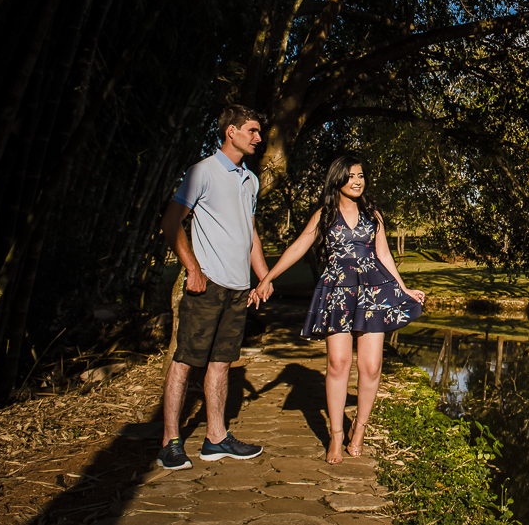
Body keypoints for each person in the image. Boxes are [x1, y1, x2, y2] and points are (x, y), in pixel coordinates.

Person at [249, 155, 425, 463]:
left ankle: (359, 429)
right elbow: (299, 246)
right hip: (337, 294)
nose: (357, 181)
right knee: (338, 363)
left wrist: (403, 288)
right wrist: (267, 278)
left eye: (360, 175)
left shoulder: (373, 215)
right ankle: (336, 436)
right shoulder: (324, 215)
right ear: (338, 180)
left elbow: (383, 255)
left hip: (372, 292)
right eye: (351, 176)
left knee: (371, 366)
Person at [157, 104, 271, 471]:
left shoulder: (250, 179)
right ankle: (170, 442)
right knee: (185, 362)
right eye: (252, 130)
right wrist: (191, 267)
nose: (258, 137)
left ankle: (216, 439)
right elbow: (171, 222)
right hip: (207, 287)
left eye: (259, 131)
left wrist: (263, 277)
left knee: (221, 364)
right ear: (231, 132)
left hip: (239, 290)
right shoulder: (202, 172)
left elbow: (249, 232)